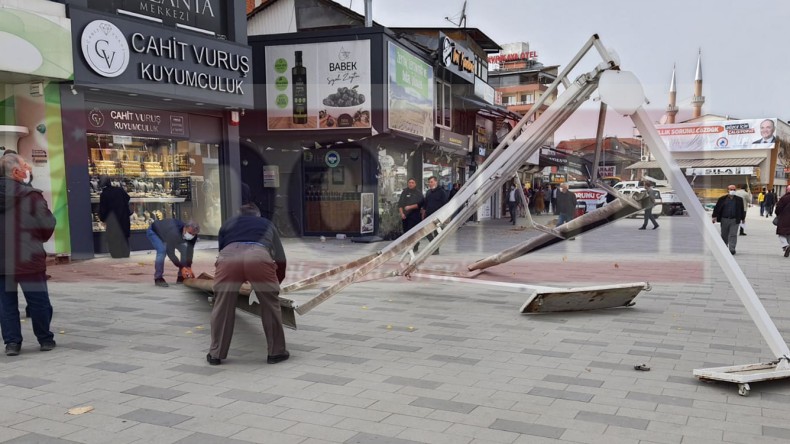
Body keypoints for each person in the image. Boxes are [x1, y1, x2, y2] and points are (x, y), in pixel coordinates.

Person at [208, 203, 289, 365]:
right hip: (258, 256)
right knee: (270, 306)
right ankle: (276, 352)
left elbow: (222, 251)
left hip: (228, 257)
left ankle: (216, 353)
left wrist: (238, 275)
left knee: (222, 305)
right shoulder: (266, 223)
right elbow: (280, 258)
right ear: (258, 215)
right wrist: (274, 287)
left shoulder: (228, 224)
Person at [0, 153, 57, 356]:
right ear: (16, 172)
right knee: (38, 300)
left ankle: (12, 343)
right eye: (25, 165)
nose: (29, 169)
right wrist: (37, 240)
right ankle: (45, 339)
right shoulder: (31, 196)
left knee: (5, 303)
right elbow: (47, 224)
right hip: (28, 258)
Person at [146, 218, 199, 287]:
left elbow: (190, 250)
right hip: (155, 232)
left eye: (193, 234)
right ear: (185, 228)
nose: (191, 235)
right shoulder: (174, 232)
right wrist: (182, 266)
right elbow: (170, 252)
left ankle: (181, 277)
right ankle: (158, 278)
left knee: (184, 250)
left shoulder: (193, 235)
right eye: (189, 233)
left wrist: (188, 267)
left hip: (170, 235)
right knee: (162, 251)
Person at [98, 176, 132, 258]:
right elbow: (128, 198)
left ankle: (116, 254)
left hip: (112, 219)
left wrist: (102, 219)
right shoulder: (119, 190)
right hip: (123, 217)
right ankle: (125, 253)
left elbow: (103, 209)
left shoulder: (104, 194)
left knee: (114, 236)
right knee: (123, 235)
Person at [712, 185, 746, 255]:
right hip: (724, 219)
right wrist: (714, 216)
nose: (732, 191)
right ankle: (724, 248)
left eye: (734, 189)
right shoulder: (722, 199)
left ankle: (732, 249)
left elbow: (741, 209)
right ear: (727, 190)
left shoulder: (739, 199)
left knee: (733, 234)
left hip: (734, 220)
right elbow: (717, 208)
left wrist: (743, 218)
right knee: (724, 235)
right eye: (731, 189)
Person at [421, 176, 448, 254]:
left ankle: (436, 250)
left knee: (437, 233)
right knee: (426, 232)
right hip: (428, 215)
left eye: (431, 182)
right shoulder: (428, 192)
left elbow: (445, 204)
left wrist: (445, 216)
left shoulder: (442, 192)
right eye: (429, 182)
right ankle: (433, 245)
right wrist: (423, 213)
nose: (430, 183)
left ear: (436, 182)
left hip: (438, 217)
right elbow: (425, 204)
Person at [398, 178, 423, 251]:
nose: (411, 184)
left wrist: (410, 207)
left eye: (412, 182)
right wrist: (402, 214)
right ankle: (407, 247)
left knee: (414, 232)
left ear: (415, 184)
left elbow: (420, 204)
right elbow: (400, 204)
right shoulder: (404, 192)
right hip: (405, 216)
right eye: (409, 182)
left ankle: (415, 245)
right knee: (406, 232)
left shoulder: (418, 193)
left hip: (415, 216)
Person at [775, 185, 790, 258]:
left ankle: (785, 245)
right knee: (789, 235)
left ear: (787, 190)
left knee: (781, 234)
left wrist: (778, 214)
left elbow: (778, 209)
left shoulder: (784, 198)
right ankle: (787, 247)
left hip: (784, 219)